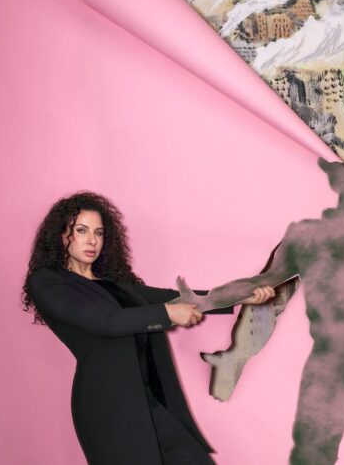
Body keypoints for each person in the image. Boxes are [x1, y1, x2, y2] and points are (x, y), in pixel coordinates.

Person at [21, 192, 273, 465]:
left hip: (149, 399)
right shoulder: (47, 283)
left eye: (99, 232)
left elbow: (176, 298)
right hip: (108, 405)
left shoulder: (114, 284)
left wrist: (240, 296)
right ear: (61, 234)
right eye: (81, 230)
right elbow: (105, 321)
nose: (92, 240)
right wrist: (167, 314)